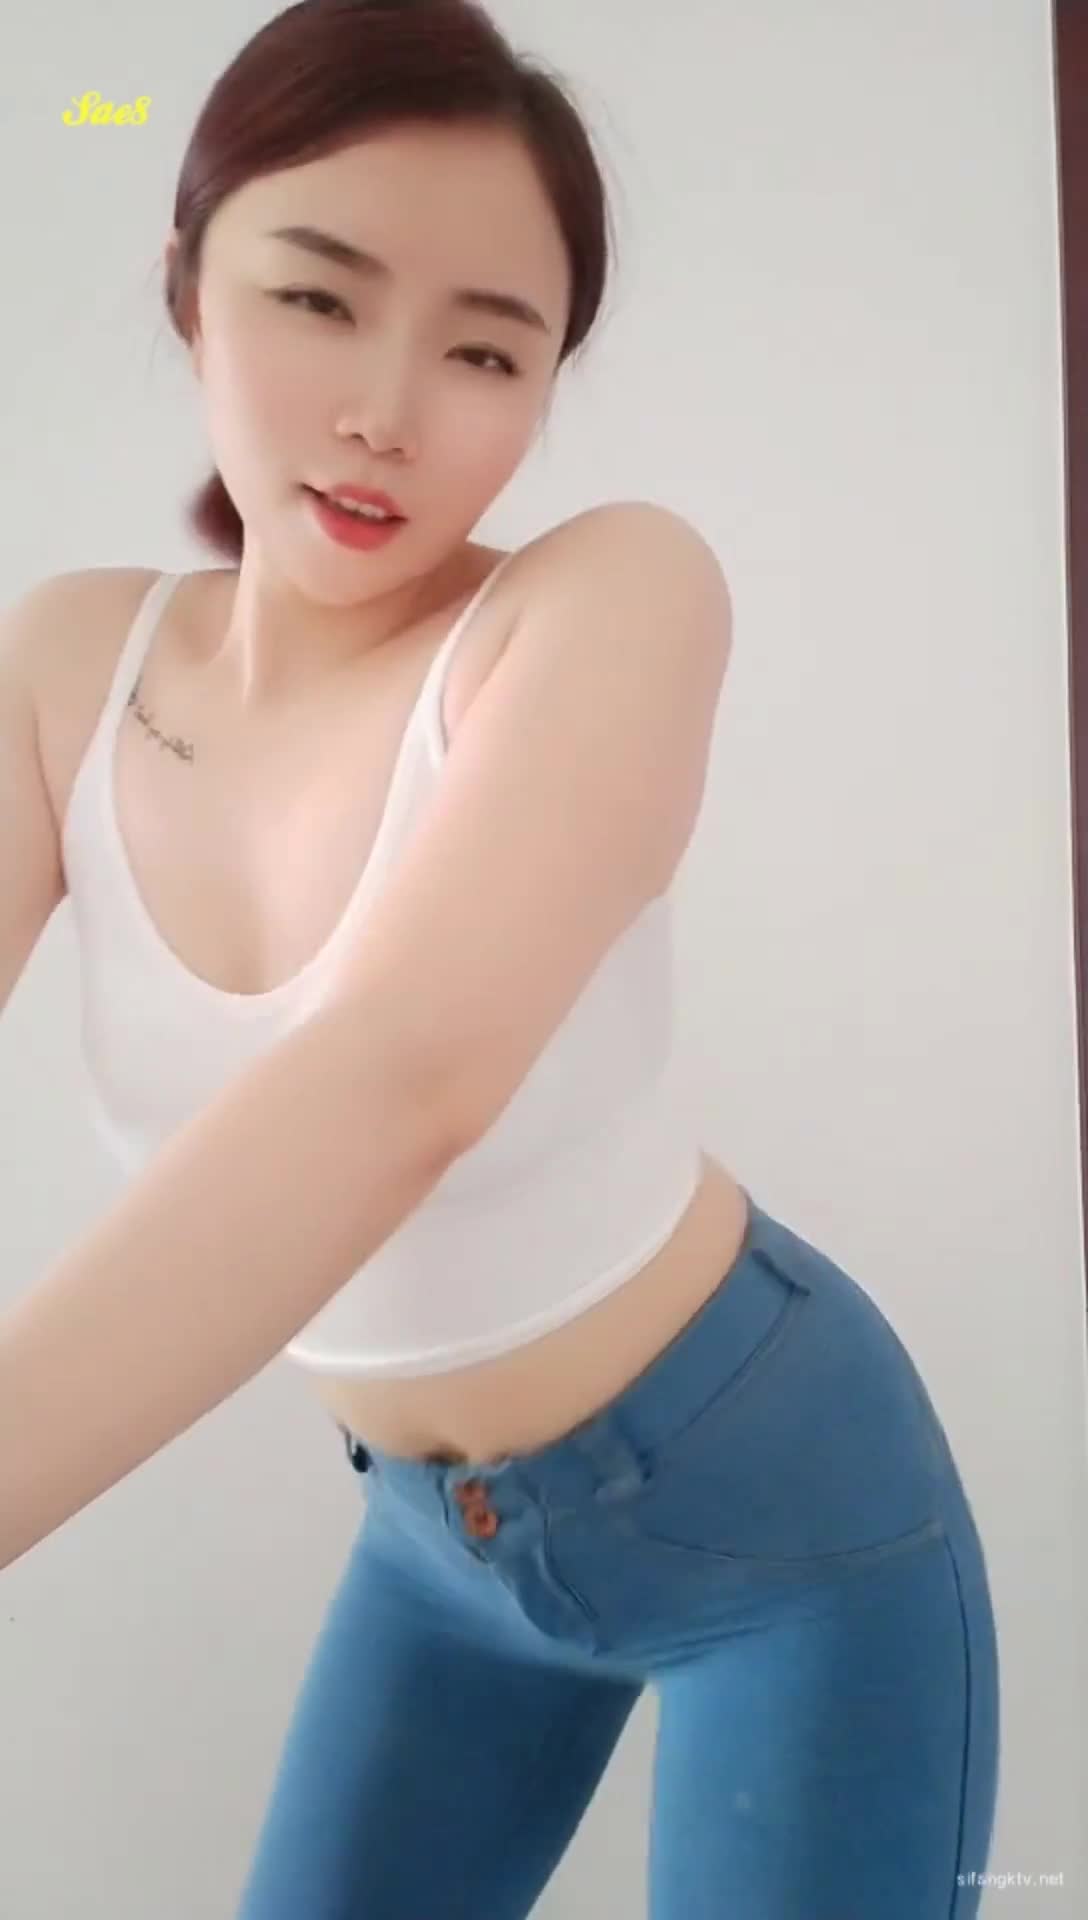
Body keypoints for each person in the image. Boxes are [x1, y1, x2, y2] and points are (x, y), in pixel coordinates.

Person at [0, 2, 999, 1914]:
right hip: (434, 1553)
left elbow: (397, 1082)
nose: (389, 409)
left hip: (777, 1514)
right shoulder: (67, 668)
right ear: (188, 286)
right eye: (318, 298)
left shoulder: (608, 599)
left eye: (484, 348)